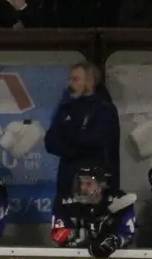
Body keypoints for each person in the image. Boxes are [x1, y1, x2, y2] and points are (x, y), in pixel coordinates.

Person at [45, 61, 120, 200]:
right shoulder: (66, 108)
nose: (70, 84)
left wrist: (66, 137)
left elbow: (94, 140)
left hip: (94, 181)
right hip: (66, 179)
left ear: (90, 81)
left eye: (75, 79)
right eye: (70, 79)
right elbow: (50, 141)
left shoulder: (104, 109)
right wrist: (72, 146)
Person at [51, 163, 137, 258]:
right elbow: (57, 234)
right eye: (80, 183)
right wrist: (85, 235)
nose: (83, 188)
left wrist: (112, 241)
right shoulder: (65, 202)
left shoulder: (119, 200)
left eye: (88, 184)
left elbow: (127, 234)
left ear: (101, 186)